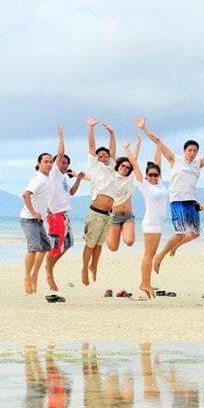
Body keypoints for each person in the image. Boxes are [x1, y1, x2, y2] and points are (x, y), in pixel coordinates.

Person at [136, 116, 204, 272]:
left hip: (192, 202)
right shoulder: (175, 159)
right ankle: (160, 256)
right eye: (190, 150)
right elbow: (157, 141)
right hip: (178, 201)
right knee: (181, 233)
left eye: (195, 151)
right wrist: (144, 128)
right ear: (184, 151)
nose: (192, 153)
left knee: (195, 234)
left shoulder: (198, 163)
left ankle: (175, 247)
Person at [45, 126, 85, 292]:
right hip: (55, 215)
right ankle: (48, 271)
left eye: (67, 163)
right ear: (56, 163)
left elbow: (72, 192)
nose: (64, 164)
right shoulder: (53, 173)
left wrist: (79, 179)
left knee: (68, 244)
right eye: (62, 162)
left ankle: (50, 268)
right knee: (55, 245)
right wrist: (61, 137)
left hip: (64, 215)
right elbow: (60, 153)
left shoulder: (62, 178)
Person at [81, 117, 117, 285]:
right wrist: (91, 128)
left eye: (105, 155)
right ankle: (84, 268)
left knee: (100, 243)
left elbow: (113, 150)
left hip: (108, 214)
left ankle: (93, 266)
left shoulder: (112, 167)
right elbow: (91, 146)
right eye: (100, 155)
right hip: (96, 212)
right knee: (90, 243)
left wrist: (111, 133)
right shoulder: (94, 166)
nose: (103, 157)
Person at [133, 145, 168, 299]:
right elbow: (134, 164)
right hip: (151, 224)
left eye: (156, 174)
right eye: (150, 175)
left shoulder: (160, 184)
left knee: (150, 254)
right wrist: (128, 149)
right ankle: (144, 283)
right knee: (148, 255)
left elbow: (158, 160)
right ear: (146, 176)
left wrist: (158, 143)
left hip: (157, 225)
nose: (153, 177)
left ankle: (146, 282)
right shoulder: (145, 185)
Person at [20, 151, 55, 294]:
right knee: (33, 249)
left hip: (38, 220)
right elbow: (25, 194)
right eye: (45, 162)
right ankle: (27, 278)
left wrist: (47, 210)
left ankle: (34, 274)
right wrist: (34, 212)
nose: (49, 164)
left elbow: (41, 197)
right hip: (29, 219)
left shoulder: (47, 179)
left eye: (50, 161)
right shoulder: (38, 178)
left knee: (45, 246)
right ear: (39, 164)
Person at [107, 139, 140, 252]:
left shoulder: (130, 178)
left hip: (127, 216)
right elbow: (94, 178)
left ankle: (123, 230)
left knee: (130, 241)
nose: (125, 168)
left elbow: (134, 159)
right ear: (118, 166)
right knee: (113, 248)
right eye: (123, 166)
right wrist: (78, 175)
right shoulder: (111, 177)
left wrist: (138, 141)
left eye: (127, 167)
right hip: (114, 216)